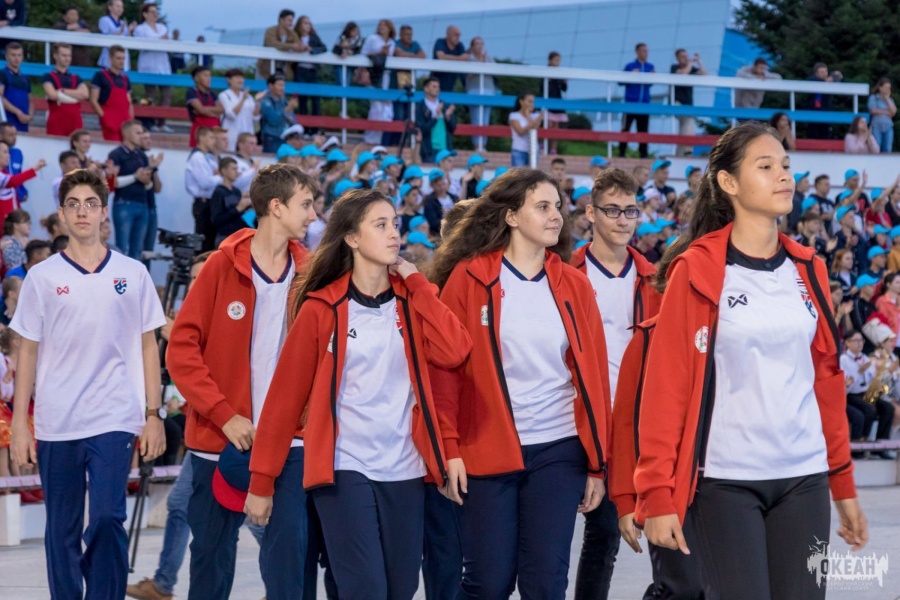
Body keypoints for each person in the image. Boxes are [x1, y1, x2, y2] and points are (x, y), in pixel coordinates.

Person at [634, 123, 867, 599]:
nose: (783, 175)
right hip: (726, 482)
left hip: (804, 477)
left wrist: (842, 484)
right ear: (729, 182)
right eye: (765, 166)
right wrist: (655, 492)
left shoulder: (809, 268)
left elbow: (826, 380)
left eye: (785, 165)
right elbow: (665, 387)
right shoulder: (696, 270)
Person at [244, 186, 469, 598]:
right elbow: (284, 401)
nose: (393, 234)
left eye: (395, 224)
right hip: (344, 466)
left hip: (406, 467)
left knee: (400, 589)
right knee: (364, 589)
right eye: (380, 225)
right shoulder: (321, 309)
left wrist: (417, 282)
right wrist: (262, 482)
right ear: (351, 238)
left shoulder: (412, 301)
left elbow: (455, 350)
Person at [428, 167, 611, 598]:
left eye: (558, 207)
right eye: (542, 207)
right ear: (511, 216)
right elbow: (444, 372)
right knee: (488, 583)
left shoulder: (576, 285)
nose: (556, 216)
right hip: (485, 446)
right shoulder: (469, 278)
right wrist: (448, 448)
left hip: (559, 449)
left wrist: (597, 464)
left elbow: (594, 378)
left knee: (546, 583)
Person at [9, 168, 166, 600]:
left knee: (106, 518)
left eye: (91, 204)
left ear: (104, 213)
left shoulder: (133, 273)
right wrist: (20, 424)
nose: (82, 212)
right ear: (61, 214)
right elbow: (27, 352)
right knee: (61, 529)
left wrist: (154, 414)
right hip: (57, 420)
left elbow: (149, 347)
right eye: (73, 204)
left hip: (115, 416)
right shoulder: (42, 278)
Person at [168, 164, 316, 600]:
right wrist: (224, 414)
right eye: (306, 204)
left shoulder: (311, 273)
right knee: (211, 560)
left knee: (290, 562)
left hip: (288, 442)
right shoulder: (220, 265)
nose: (313, 215)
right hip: (219, 440)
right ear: (276, 207)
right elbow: (181, 350)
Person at [569, 169, 662, 599]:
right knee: (585, 535)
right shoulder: (564, 273)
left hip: (631, 422)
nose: (623, 220)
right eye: (612, 211)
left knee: (610, 533)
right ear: (590, 213)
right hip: (573, 420)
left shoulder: (652, 278)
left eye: (630, 211)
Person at [109, 120, 158, 260]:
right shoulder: (116, 154)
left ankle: (134, 274)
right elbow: (113, 182)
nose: (141, 136)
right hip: (124, 203)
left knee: (137, 248)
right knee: (122, 246)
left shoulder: (141, 156)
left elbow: (148, 185)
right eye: (137, 133)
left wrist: (147, 181)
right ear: (126, 134)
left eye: (142, 133)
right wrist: (135, 177)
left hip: (142, 204)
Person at [134, 2, 173, 133]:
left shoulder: (162, 27)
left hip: (163, 65)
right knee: (150, 95)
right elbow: (144, 45)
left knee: (166, 94)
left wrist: (160, 40)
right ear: (145, 14)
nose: (155, 14)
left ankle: (162, 122)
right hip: (149, 65)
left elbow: (166, 42)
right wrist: (159, 40)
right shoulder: (140, 29)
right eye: (152, 12)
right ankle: (150, 122)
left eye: (156, 12)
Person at [185, 127, 223, 252]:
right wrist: (220, 176)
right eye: (211, 137)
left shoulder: (208, 158)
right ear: (201, 138)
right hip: (203, 203)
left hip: (210, 202)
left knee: (210, 241)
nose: (214, 141)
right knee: (203, 242)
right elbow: (205, 183)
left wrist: (216, 176)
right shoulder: (198, 157)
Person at [41, 44, 90, 137]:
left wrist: (62, 91)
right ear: (56, 56)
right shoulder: (48, 76)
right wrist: (75, 96)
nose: (67, 59)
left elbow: (85, 94)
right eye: (64, 55)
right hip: (56, 121)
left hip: (75, 121)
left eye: (69, 56)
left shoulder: (76, 77)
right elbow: (52, 95)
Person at [90, 45, 134, 142]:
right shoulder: (100, 76)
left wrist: (131, 120)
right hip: (110, 121)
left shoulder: (125, 78)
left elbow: (129, 101)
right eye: (118, 58)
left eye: (123, 58)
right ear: (110, 58)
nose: (121, 61)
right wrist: (104, 117)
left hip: (125, 121)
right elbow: (93, 100)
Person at [619, 43, 654, 158]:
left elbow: (651, 83)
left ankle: (643, 154)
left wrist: (653, 76)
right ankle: (622, 152)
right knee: (625, 128)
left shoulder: (650, 67)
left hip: (644, 104)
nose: (646, 53)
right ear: (637, 51)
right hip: (630, 103)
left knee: (643, 130)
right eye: (643, 50)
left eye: (647, 51)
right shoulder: (630, 66)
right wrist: (630, 75)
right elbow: (620, 81)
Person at [292, 16, 327, 131]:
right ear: (300, 24)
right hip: (300, 70)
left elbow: (324, 48)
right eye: (305, 23)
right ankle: (304, 128)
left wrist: (312, 50)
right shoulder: (295, 36)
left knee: (315, 100)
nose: (308, 26)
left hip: (312, 70)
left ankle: (314, 128)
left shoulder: (314, 37)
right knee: (302, 99)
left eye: (309, 23)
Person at [670, 49, 706, 156]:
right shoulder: (674, 67)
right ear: (677, 58)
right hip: (677, 102)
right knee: (688, 122)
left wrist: (699, 61)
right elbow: (683, 74)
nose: (685, 58)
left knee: (684, 127)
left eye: (686, 56)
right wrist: (690, 63)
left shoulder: (691, 68)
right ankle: (687, 150)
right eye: (682, 56)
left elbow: (704, 74)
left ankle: (680, 152)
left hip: (688, 103)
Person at [210, 157, 252, 247]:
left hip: (239, 236)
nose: (237, 172)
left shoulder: (236, 191)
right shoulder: (219, 192)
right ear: (224, 171)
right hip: (225, 237)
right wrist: (237, 209)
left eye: (237, 169)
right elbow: (216, 220)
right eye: (233, 169)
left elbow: (241, 215)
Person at [416, 77, 457, 164]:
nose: (437, 89)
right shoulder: (420, 107)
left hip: (445, 150)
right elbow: (422, 129)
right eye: (434, 86)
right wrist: (435, 117)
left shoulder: (444, 105)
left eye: (438, 87)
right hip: (429, 151)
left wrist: (447, 117)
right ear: (426, 89)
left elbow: (453, 129)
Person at [0, 142, 42, 227]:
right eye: (5, 152)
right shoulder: (4, 176)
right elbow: (12, 181)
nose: (8, 156)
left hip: (11, 222)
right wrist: (34, 169)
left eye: (8, 152)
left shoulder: (6, 173)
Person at [215, 70, 258, 153]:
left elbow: (255, 117)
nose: (240, 80)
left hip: (247, 134)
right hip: (231, 134)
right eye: (237, 77)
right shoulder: (224, 95)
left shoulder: (248, 96)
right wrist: (243, 99)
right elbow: (231, 114)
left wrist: (257, 102)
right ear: (229, 80)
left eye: (242, 78)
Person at [465, 37, 496, 152]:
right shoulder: (468, 58)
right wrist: (479, 64)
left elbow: (496, 71)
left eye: (481, 44)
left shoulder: (489, 58)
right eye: (477, 44)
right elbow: (468, 75)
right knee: (476, 118)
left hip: (488, 90)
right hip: (474, 90)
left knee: (485, 118)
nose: (480, 46)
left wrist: (485, 63)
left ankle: (483, 145)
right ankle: (476, 145)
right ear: (472, 46)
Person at [258, 9, 303, 81]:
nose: (291, 23)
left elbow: (298, 44)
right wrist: (291, 46)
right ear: (281, 20)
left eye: (292, 21)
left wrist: (304, 48)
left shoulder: (292, 33)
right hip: (266, 70)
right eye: (289, 20)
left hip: (283, 71)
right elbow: (273, 43)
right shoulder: (270, 31)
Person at [186, 66, 224, 148]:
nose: (209, 79)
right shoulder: (191, 92)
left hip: (214, 130)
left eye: (209, 76)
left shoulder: (212, 93)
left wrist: (205, 110)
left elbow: (222, 109)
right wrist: (214, 112)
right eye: (205, 75)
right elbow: (201, 110)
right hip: (200, 131)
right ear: (196, 78)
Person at [260, 74, 298, 154]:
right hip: (272, 139)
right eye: (279, 85)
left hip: (286, 139)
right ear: (271, 86)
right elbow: (273, 120)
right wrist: (288, 109)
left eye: (283, 85)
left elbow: (293, 121)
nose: (282, 88)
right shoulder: (266, 101)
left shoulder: (285, 102)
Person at [0, 43, 33, 132]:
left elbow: (30, 100)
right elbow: (0, 98)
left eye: (19, 55)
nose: (16, 58)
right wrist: (17, 112)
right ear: (6, 57)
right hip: (7, 122)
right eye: (13, 55)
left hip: (23, 123)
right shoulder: (2, 74)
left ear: (22, 57)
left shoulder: (25, 78)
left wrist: (29, 115)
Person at [807, 62, 843, 140]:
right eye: (822, 72)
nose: (825, 74)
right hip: (813, 112)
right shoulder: (811, 80)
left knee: (825, 135)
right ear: (816, 73)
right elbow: (811, 82)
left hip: (825, 111)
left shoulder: (830, 82)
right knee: (813, 135)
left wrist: (838, 76)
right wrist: (825, 82)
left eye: (826, 71)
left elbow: (842, 86)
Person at [98, 0, 134, 71]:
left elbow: (127, 38)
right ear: (110, 7)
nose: (120, 9)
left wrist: (130, 30)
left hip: (122, 56)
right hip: (108, 56)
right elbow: (105, 37)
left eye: (122, 7)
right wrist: (120, 31)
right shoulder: (104, 20)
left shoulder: (122, 23)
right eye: (117, 6)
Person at [509, 92, 541, 167]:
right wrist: (528, 116)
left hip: (533, 149)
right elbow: (520, 132)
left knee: (532, 173)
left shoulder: (537, 115)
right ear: (521, 101)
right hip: (519, 150)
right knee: (519, 173)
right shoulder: (514, 116)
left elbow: (534, 129)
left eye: (532, 102)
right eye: (529, 101)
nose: (531, 104)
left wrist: (528, 116)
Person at [432, 26, 468, 92]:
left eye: (459, 35)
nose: (458, 37)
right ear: (448, 34)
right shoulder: (440, 42)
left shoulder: (460, 45)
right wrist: (459, 58)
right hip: (437, 82)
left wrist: (448, 57)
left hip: (452, 84)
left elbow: (465, 58)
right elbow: (441, 57)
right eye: (456, 35)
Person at [422, 169, 457, 236]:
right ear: (432, 186)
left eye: (443, 184)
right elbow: (433, 222)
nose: (442, 188)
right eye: (438, 185)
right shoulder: (429, 201)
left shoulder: (453, 197)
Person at [867, 77, 896, 154]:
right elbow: (873, 110)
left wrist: (887, 99)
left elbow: (893, 112)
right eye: (886, 87)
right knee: (876, 147)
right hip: (876, 126)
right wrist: (887, 112)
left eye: (889, 88)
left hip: (888, 126)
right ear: (880, 87)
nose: (888, 89)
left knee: (887, 147)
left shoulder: (890, 100)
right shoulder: (874, 98)